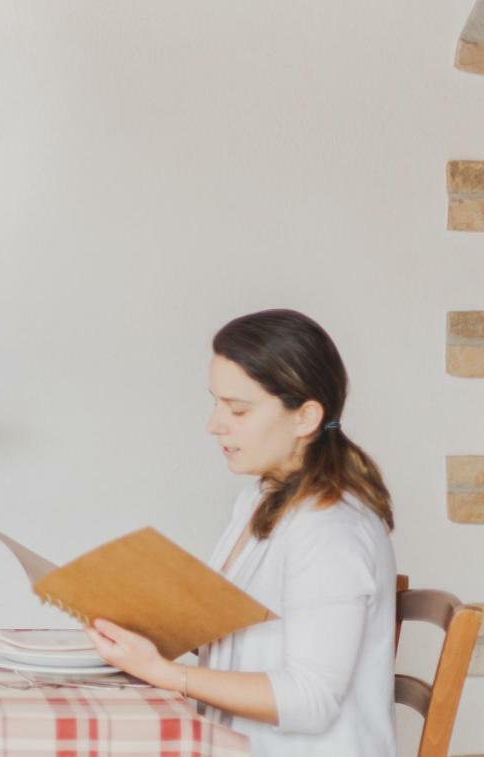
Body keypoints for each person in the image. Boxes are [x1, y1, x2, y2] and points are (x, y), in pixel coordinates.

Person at [85, 309, 396, 755]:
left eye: (238, 409)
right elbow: (239, 640)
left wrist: (165, 674)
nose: (215, 424)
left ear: (305, 417)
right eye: (216, 402)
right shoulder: (259, 499)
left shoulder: (330, 530)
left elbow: (312, 701)